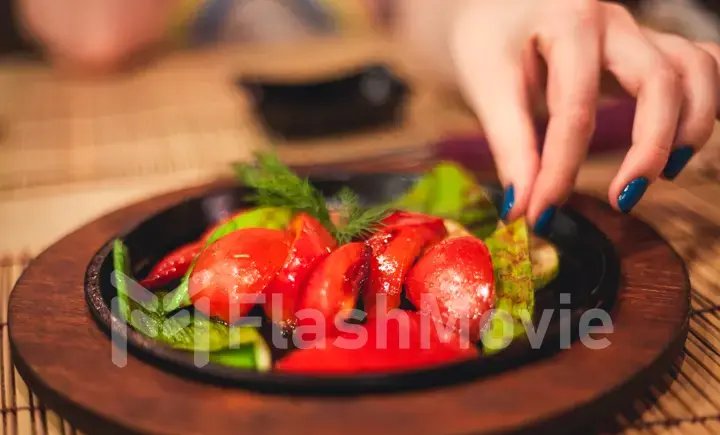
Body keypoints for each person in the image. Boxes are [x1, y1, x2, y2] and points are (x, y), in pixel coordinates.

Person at [14, 0, 720, 233]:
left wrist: (497, 14)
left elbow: (423, 14)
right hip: (122, 139)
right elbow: (95, 32)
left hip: (384, 132)